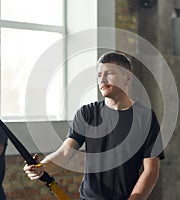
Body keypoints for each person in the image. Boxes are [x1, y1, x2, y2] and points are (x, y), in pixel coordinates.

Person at [24, 52, 164, 199]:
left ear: (127, 77)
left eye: (109, 74)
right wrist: (42, 167)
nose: (102, 80)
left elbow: (151, 170)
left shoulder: (145, 118)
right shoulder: (87, 113)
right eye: (99, 75)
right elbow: (64, 154)